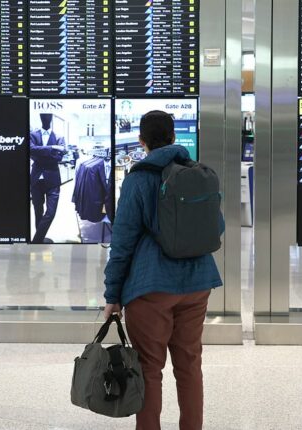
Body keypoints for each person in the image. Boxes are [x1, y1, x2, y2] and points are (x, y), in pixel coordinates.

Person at [103, 111, 223, 430]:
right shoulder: (197, 172)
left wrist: (112, 294)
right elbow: (217, 226)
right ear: (173, 138)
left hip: (151, 288)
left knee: (148, 370)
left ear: (142, 141)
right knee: (189, 366)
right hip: (198, 284)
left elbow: (123, 241)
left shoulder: (139, 178)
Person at [30, 113, 67, 244]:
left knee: (50, 212)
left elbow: (60, 156)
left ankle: (36, 240)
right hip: (36, 180)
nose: (45, 119)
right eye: (43, 116)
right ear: (40, 118)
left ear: (51, 119)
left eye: (48, 116)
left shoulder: (59, 136)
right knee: (37, 211)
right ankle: (40, 240)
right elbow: (30, 150)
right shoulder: (33, 135)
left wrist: (40, 153)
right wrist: (52, 148)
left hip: (53, 179)